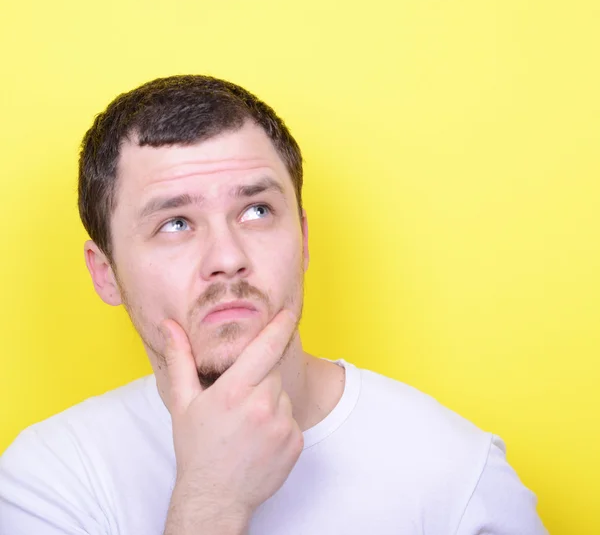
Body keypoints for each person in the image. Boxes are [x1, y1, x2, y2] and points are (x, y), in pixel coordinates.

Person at [0, 75, 548, 535]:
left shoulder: (457, 473)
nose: (227, 257)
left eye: (257, 211)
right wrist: (211, 502)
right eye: (175, 223)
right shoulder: (50, 478)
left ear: (304, 241)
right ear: (106, 274)